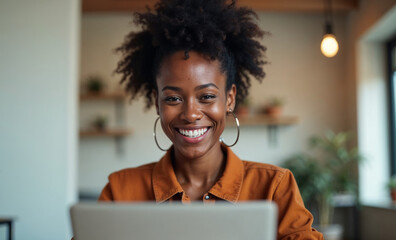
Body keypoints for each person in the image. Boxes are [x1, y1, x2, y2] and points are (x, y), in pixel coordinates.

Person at [99, 0, 324, 239]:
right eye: (173, 99)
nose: (190, 114)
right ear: (157, 102)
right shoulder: (120, 191)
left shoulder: (274, 188)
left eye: (206, 96)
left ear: (229, 99)